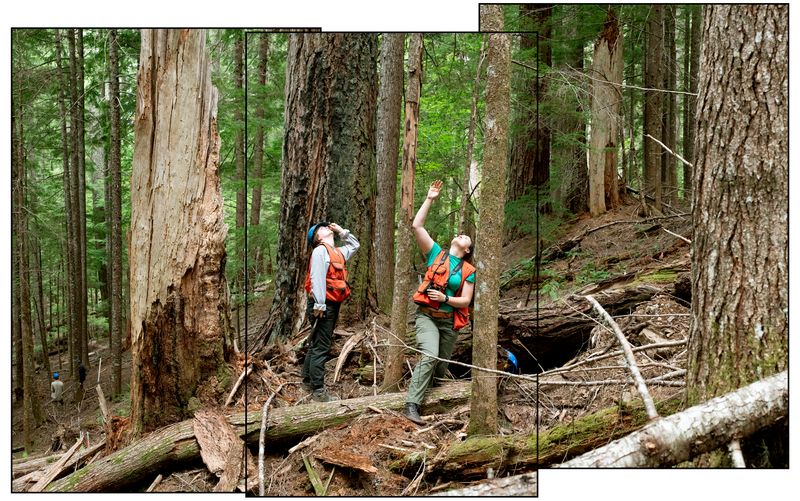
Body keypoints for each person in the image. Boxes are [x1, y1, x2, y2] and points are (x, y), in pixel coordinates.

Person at [404, 180, 476, 425]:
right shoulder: (436, 253)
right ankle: (412, 404)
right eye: (460, 234)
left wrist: (446, 298)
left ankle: (440, 405)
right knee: (429, 355)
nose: (461, 235)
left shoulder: (469, 270)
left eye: (465, 237)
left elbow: (466, 299)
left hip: (448, 323)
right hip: (426, 316)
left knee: (440, 369)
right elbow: (417, 225)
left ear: (467, 250)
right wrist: (430, 198)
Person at [302, 221, 360, 402]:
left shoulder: (338, 252)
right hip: (322, 305)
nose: (327, 227)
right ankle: (318, 391)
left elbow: (355, 245)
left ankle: (307, 379)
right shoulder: (320, 251)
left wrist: (342, 231)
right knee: (321, 346)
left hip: (331, 304)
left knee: (318, 342)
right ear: (317, 237)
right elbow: (316, 278)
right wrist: (319, 305)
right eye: (322, 227)